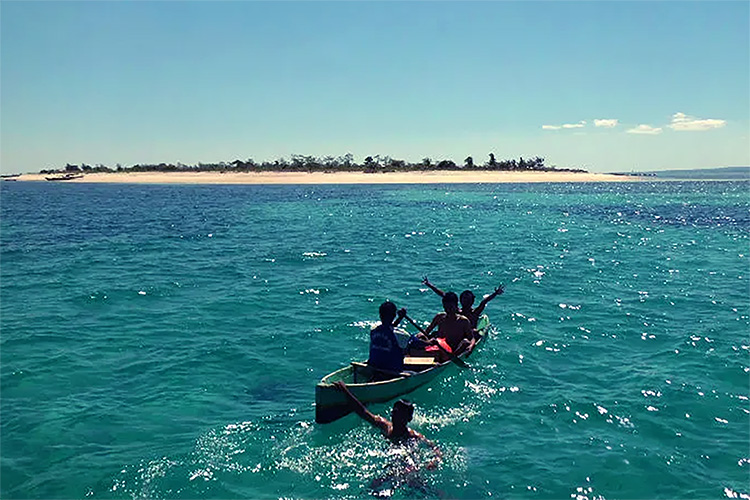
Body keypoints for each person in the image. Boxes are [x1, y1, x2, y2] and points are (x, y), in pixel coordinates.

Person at [332, 381, 441, 469]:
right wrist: (345, 391)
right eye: (394, 413)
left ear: (408, 419)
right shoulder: (385, 425)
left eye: (399, 415)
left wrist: (433, 462)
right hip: (392, 459)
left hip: (408, 462)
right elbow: (363, 412)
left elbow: (436, 449)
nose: (395, 417)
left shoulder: (413, 436)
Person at [422, 276, 504, 328]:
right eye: (464, 299)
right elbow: (444, 295)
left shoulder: (474, 313)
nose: (465, 302)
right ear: (460, 300)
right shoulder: (457, 311)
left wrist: (495, 293)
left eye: (468, 300)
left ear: (472, 301)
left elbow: (484, 302)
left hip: (469, 336)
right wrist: (429, 285)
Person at [414, 292, 474, 360]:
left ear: (456, 305)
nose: (448, 310)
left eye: (451, 307)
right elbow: (427, 332)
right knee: (420, 337)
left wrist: (471, 346)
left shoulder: (463, 321)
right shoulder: (439, 317)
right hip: (438, 346)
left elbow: (471, 338)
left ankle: (450, 359)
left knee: (465, 342)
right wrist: (421, 335)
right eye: (446, 307)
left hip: (453, 350)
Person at [369, 301, 408, 376]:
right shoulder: (400, 334)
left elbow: (388, 329)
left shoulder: (373, 330)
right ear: (394, 316)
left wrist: (400, 318)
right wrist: (430, 342)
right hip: (392, 371)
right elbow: (416, 343)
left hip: (374, 367)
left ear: (380, 315)